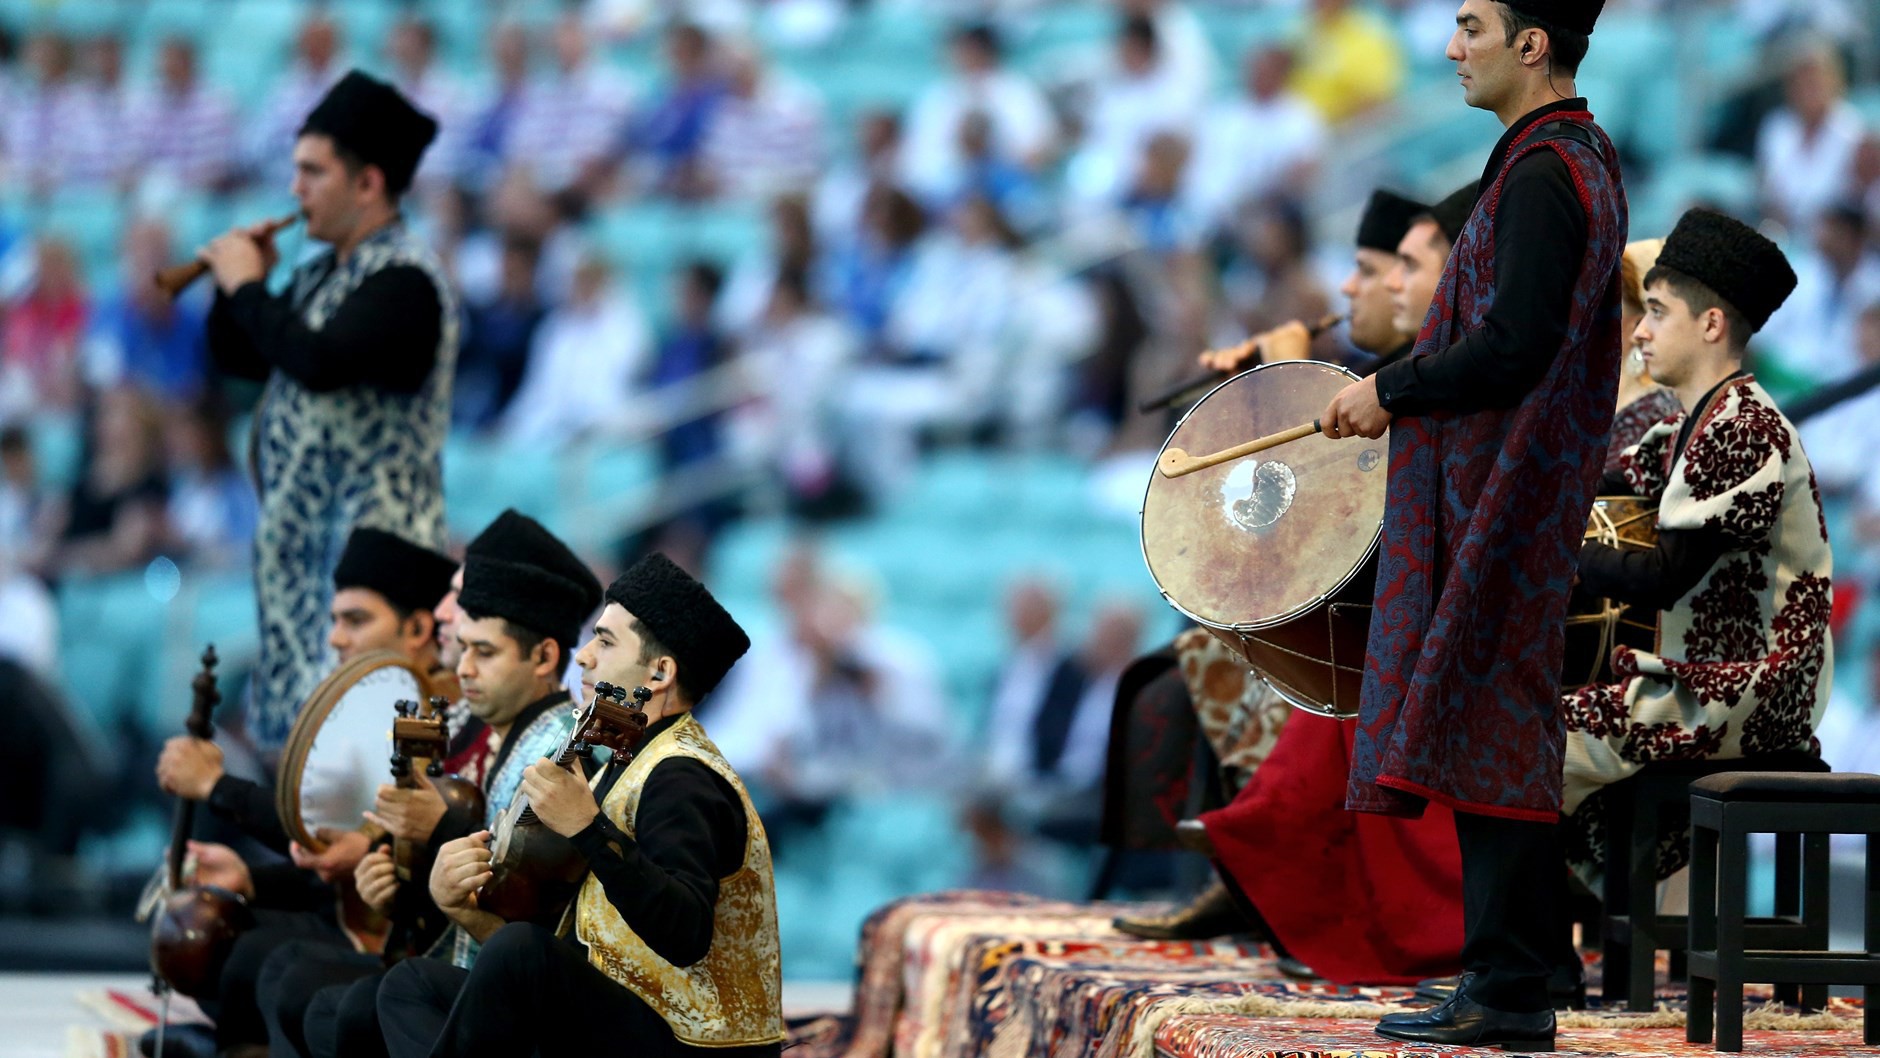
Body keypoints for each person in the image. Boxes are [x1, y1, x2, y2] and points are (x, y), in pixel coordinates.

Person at [1317, 0, 1625, 1046]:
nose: (1450, 49)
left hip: (1508, 492)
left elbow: (1513, 346)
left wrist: (1390, 389)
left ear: (1529, 44)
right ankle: (1515, 969)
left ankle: (1507, 987)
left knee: (1495, 727)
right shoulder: (1548, 159)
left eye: (1470, 26)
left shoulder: (1545, 171)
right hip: (1505, 484)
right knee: (1489, 721)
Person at [376, 553, 783, 1058]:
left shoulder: (683, 774)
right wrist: (463, 909)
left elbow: (686, 934)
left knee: (521, 953)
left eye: (605, 640)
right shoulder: (626, 753)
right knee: (409, 986)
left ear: (659, 672)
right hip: (623, 1013)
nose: (585, 656)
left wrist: (588, 828)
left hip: (693, 1041)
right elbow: (583, 942)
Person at [1563, 209, 1830, 887]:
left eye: (1655, 312)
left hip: (1756, 688)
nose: (1640, 331)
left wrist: (1553, 556)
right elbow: (1601, 482)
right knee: (1526, 717)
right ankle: (1534, 956)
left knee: (1525, 733)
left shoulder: (1743, 427)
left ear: (1711, 325)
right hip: (1704, 678)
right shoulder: (1694, 422)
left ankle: (1528, 963)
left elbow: (1661, 578)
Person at [272, 509, 600, 1058]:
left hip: (526, 987)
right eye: (465, 648)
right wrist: (397, 889)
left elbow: (529, 899)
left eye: (484, 652)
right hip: (461, 959)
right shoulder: (488, 728)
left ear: (544, 657)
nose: (464, 668)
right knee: (302, 983)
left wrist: (442, 829)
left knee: (355, 1003)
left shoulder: (560, 746)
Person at [199, 70, 456, 740]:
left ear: (368, 182)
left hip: (375, 567)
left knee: (360, 758)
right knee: (298, 774)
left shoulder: (406, 281)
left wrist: (249, 288)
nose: (295, 190)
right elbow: (243, 360)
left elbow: (318, 361)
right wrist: (235, 291)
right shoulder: (321, 274)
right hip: (306, 569)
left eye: (313, 172)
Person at [147, 527, 456, 1058]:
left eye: (356, 620)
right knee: (204, 931)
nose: (337, 637)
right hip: (340, 911)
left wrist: (216, 786)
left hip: (394, 936)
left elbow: (345, 844)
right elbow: (335, 857)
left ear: (419, 627)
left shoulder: (436, 719)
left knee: (252, 961)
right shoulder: (373, 708)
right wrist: (250, 878)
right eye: (335, 620)